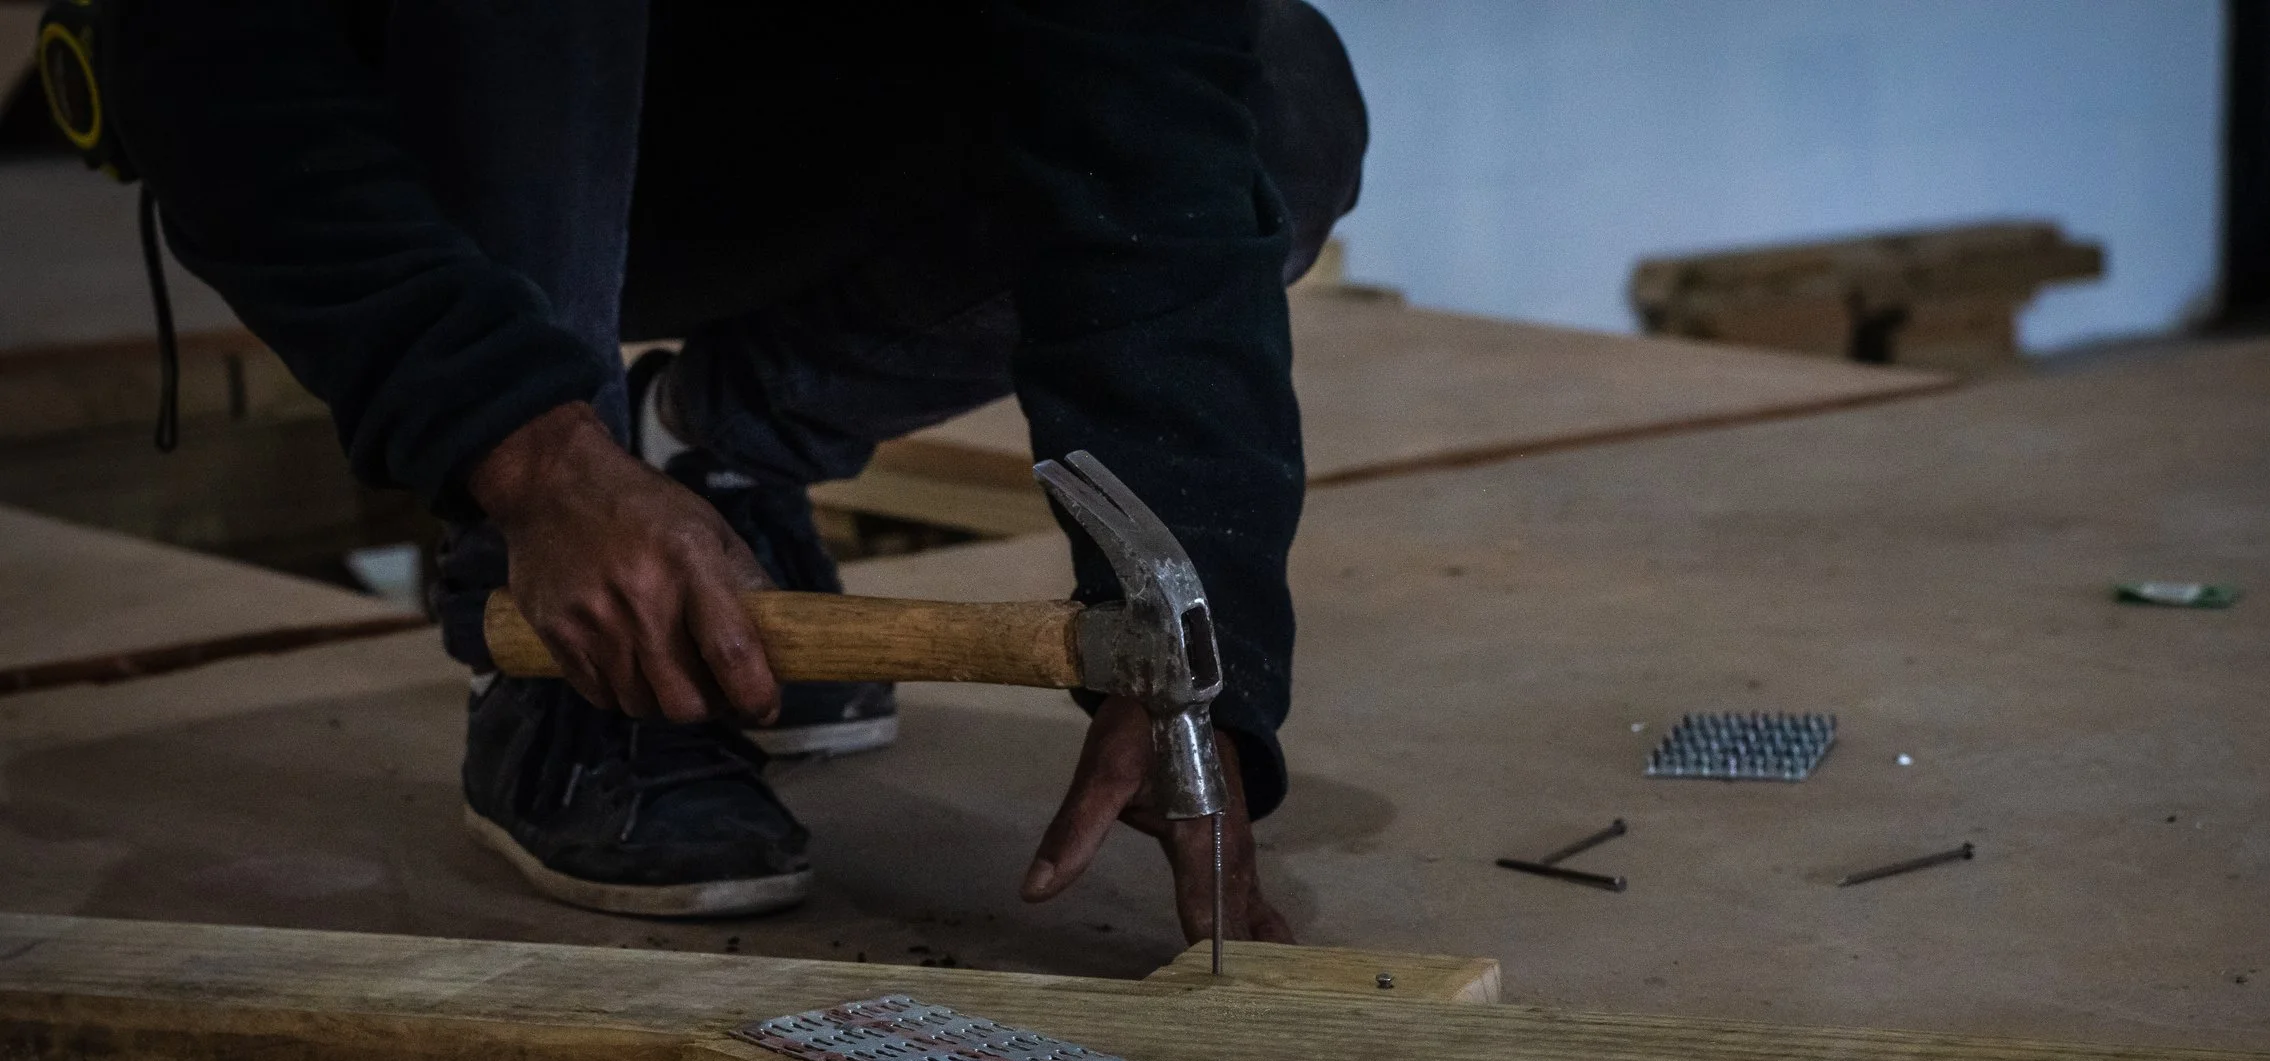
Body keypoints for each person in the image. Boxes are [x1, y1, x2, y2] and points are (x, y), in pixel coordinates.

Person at [105, 0, 1366, 939]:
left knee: (1278, 106)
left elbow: (1148, 141)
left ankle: (703, 458)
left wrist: (1207, 664)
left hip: (733, 112)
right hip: (424, 104)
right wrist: (529, 450)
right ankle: (568, 626)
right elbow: (205, 67)